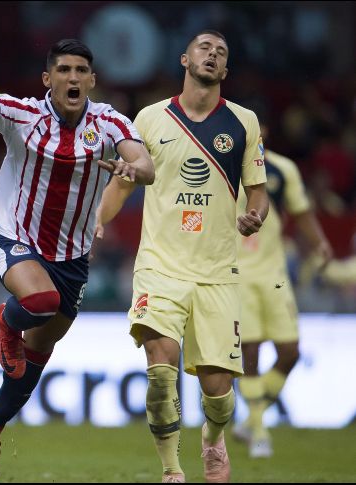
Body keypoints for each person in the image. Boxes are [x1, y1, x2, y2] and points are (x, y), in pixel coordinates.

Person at [0, 39, 155, 483]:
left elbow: (144, 164)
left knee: (35, 359)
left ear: (92, 80)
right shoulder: (23, 115)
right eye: (64, 70)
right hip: (15, 239)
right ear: (48, 79)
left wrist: (134, 170)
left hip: (72, 257)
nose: (73, 77)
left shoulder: (109, 122)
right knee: (41, 301)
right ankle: (7, 320)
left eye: (81, 70)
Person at [98, 30, 269, 483]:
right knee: (160, 372)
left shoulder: (244, 122)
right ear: (184, 59)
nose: (212, 55)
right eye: (204, 48)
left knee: (218, 392)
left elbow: (258, 192)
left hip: (217, 271)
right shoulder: (150, 118)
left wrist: (255, 215)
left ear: (226, 69)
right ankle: (172, 470)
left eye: (221, 52)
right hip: (160, 266)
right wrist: (97, 221)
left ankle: (214, 437)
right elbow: (123, 182)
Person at [233, 131, 333, 458]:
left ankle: (252, 418)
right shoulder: (223, 164)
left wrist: (319, 242)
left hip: (274, 275)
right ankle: (260, 431)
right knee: (250, 352)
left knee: (290, 351)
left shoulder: (282, 169)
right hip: (236, 273)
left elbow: (301, 212)